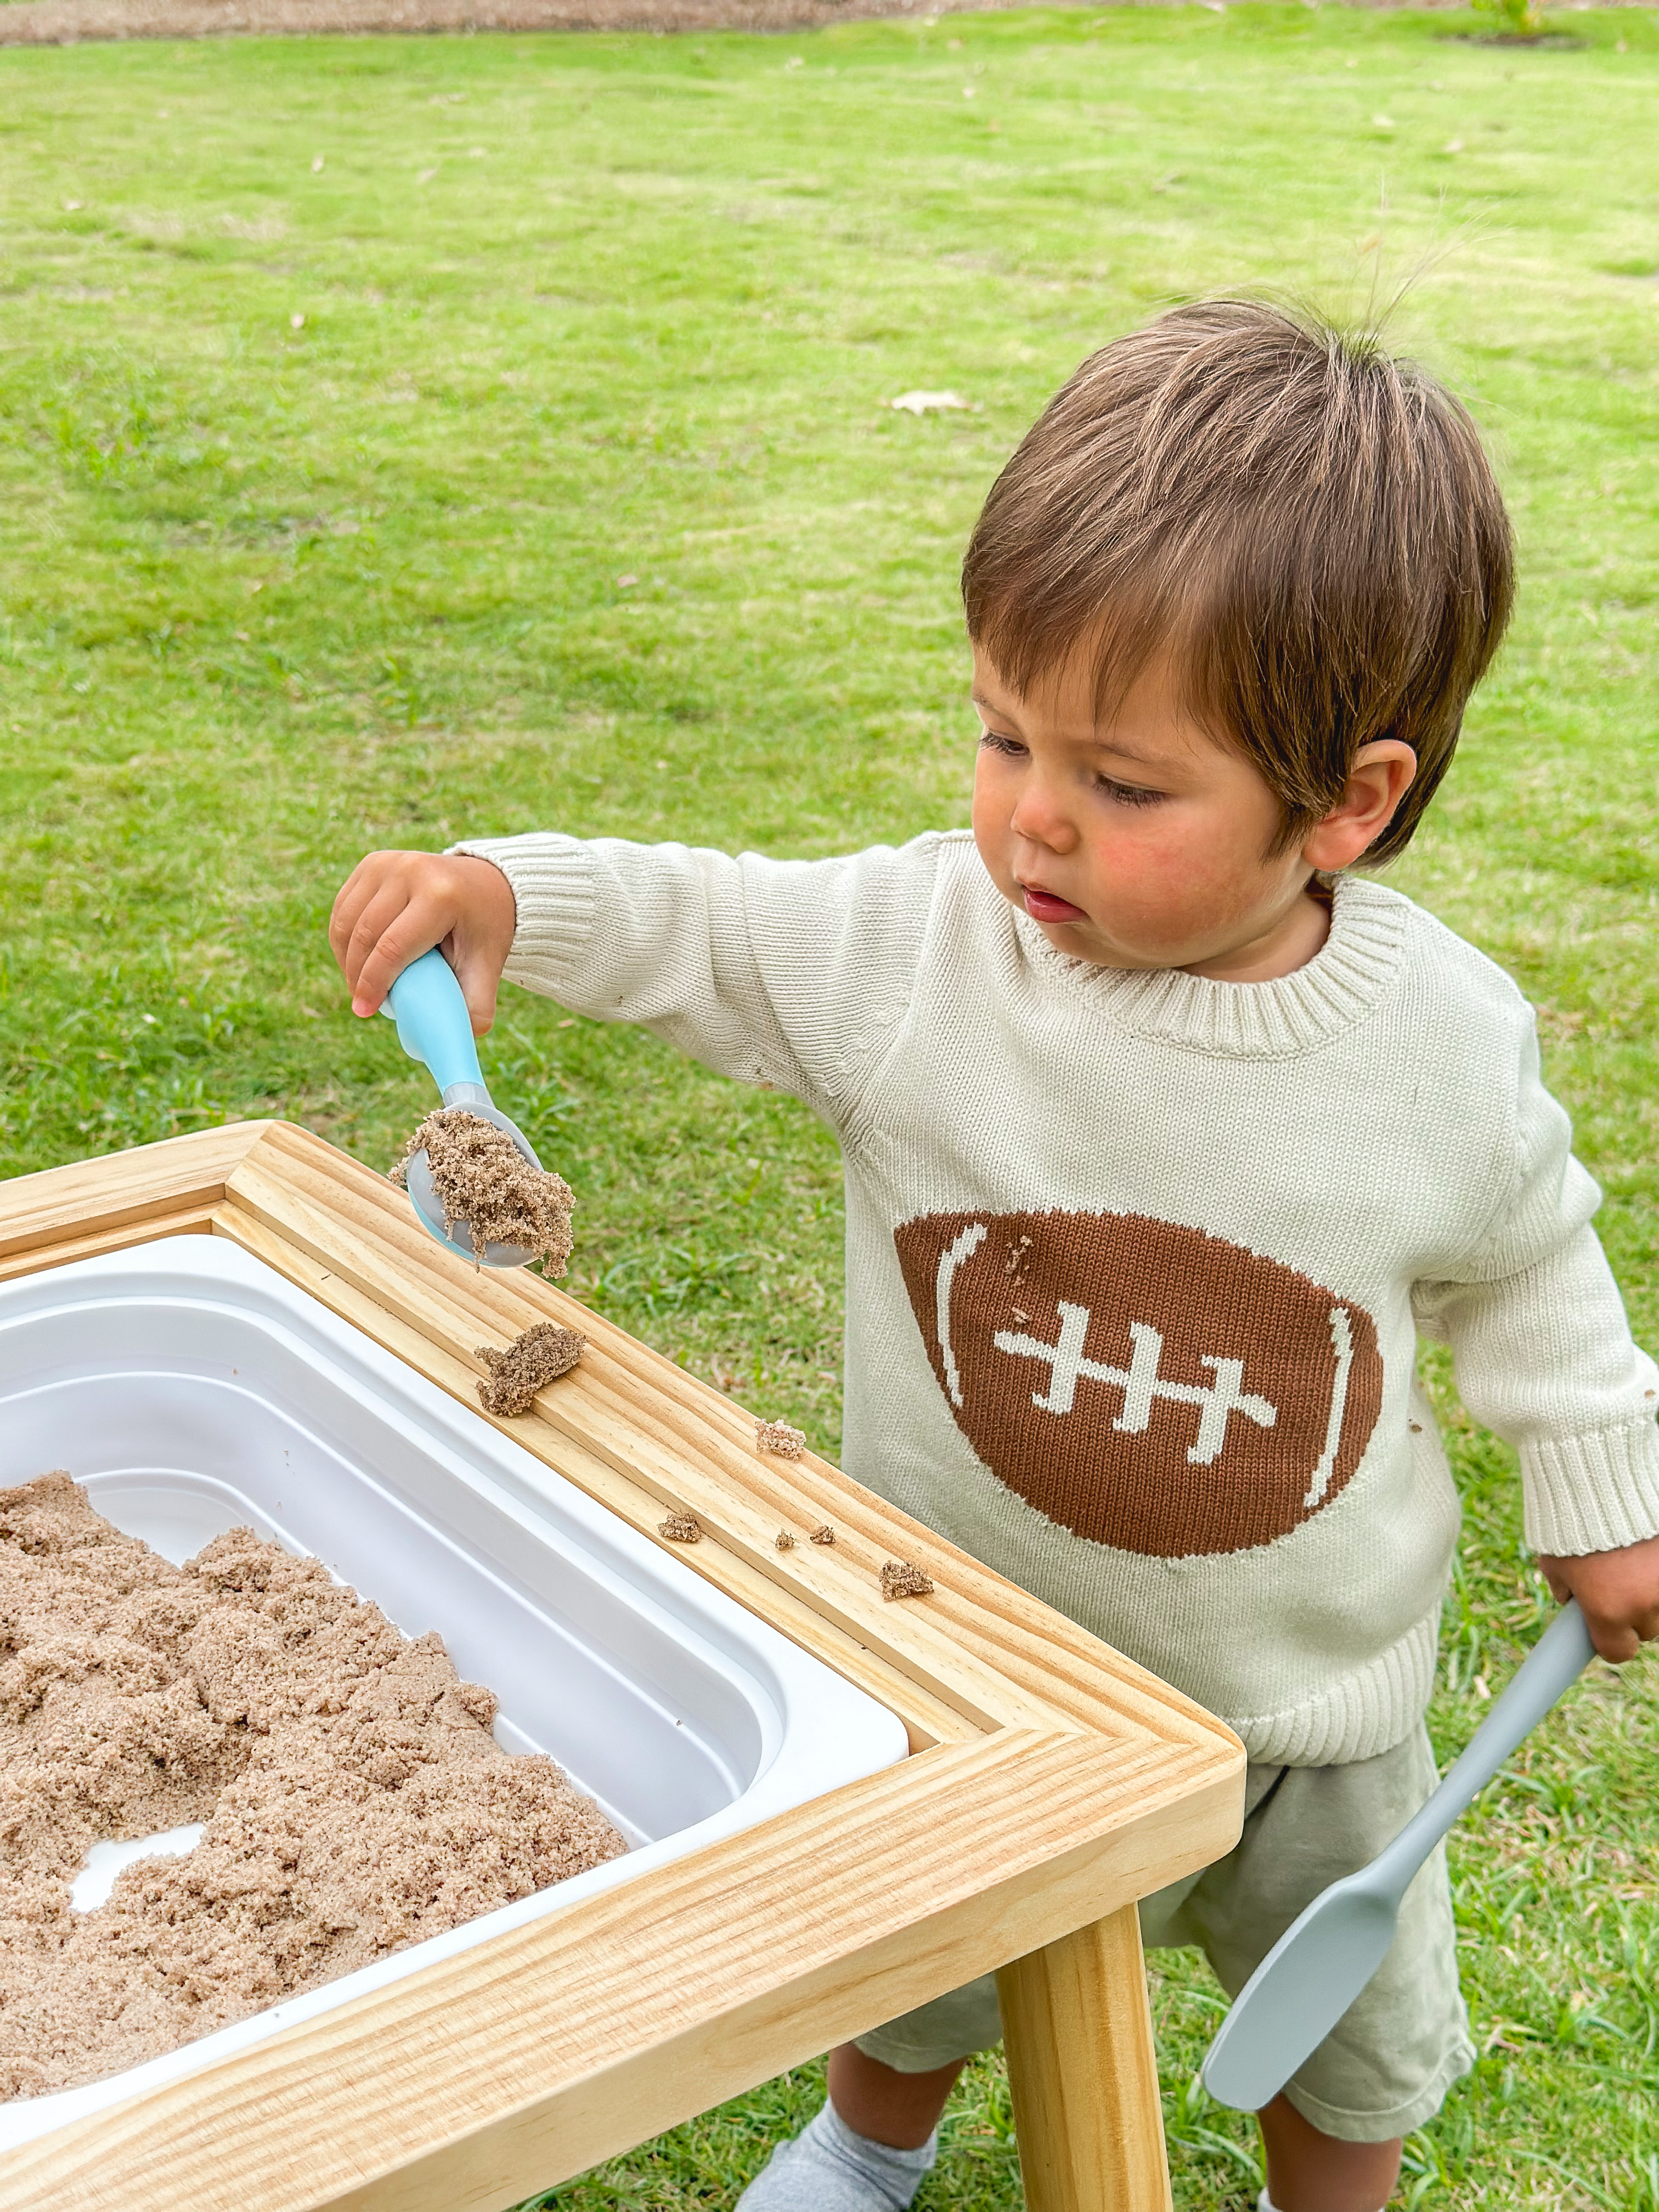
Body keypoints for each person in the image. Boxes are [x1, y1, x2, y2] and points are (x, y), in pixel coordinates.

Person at [330, 300, 1659, 2212]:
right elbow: (722, 926)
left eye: (1124, 785)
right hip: (973, 1658)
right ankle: (873, 2152)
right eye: (1002, 731)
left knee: (1344, 2047)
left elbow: (1535, 1268)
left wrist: (1602, 1489)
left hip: (1304, 1716)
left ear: (1348, 804)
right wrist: (513, 894)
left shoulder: (1437, 1049)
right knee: (922, 1963)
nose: (1031, 813)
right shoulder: (929, 957)